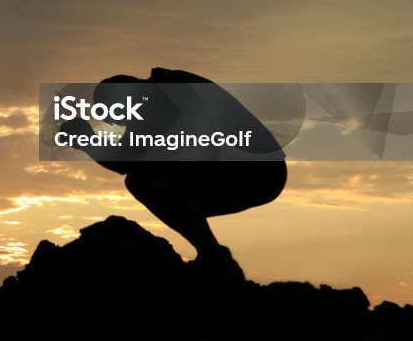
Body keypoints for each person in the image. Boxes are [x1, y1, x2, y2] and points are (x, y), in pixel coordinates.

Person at [59, 67, 287, 279]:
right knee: (147, 180)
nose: (119, 123)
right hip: (254, 172)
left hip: (252, 173)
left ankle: (214, 258)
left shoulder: (162, 94)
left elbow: (127, 162)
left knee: (147, 181)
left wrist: (87, 141)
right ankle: (214, 256)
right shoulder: (160, 91)